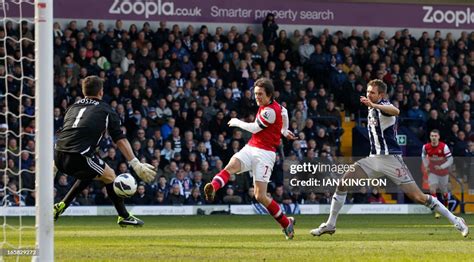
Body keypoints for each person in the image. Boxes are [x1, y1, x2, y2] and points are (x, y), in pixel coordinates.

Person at [310, 79, 468, 238]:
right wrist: (372, 106)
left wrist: (375, 105)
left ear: (381, 94)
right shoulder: (372, 108)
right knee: (343, 183)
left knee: (418, 197)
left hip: (391, 160)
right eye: (367, 91)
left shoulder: (383, 107)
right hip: (374, 159)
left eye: (372, 92)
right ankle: (330, 224)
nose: (368, 94)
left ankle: (456, 220)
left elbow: (396, 111)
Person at [54, 76, 156, 227]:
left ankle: (61, 206)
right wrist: (135, 163)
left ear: (83, 92)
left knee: (89, 173)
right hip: (79, 155)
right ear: (101, 92)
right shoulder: (106, 110)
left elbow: (67, 132)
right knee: (110, 176)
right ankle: (123, 216)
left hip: (58, 155)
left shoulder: (72, 107)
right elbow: (120, 140)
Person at [203, 78, 297, 239]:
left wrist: (237, 122)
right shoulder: (276, 108)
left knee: (260, 196)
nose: (257, 97)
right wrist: (283, 130)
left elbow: (254, 127)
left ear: (269, 94)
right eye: (255, 94)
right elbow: (285, 113)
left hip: (265, 155)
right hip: (251, 147)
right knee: (230, 167)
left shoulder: (270, 111)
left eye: (260, 94)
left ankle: (286, 223)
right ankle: (213, 187)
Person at [422, 129, 453, 218]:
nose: (434, 138)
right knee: (432, 189)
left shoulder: (444, 147)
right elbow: (423, 156)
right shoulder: (426, 147)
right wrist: (426, 166)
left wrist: (442, 166)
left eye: (435, 136)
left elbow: (450, 159)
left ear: (438, 137)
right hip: (432, 172)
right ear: (430, 137)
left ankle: (446, 207)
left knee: (444, 193)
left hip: (443, 173)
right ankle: (437, 210)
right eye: (432, 136)